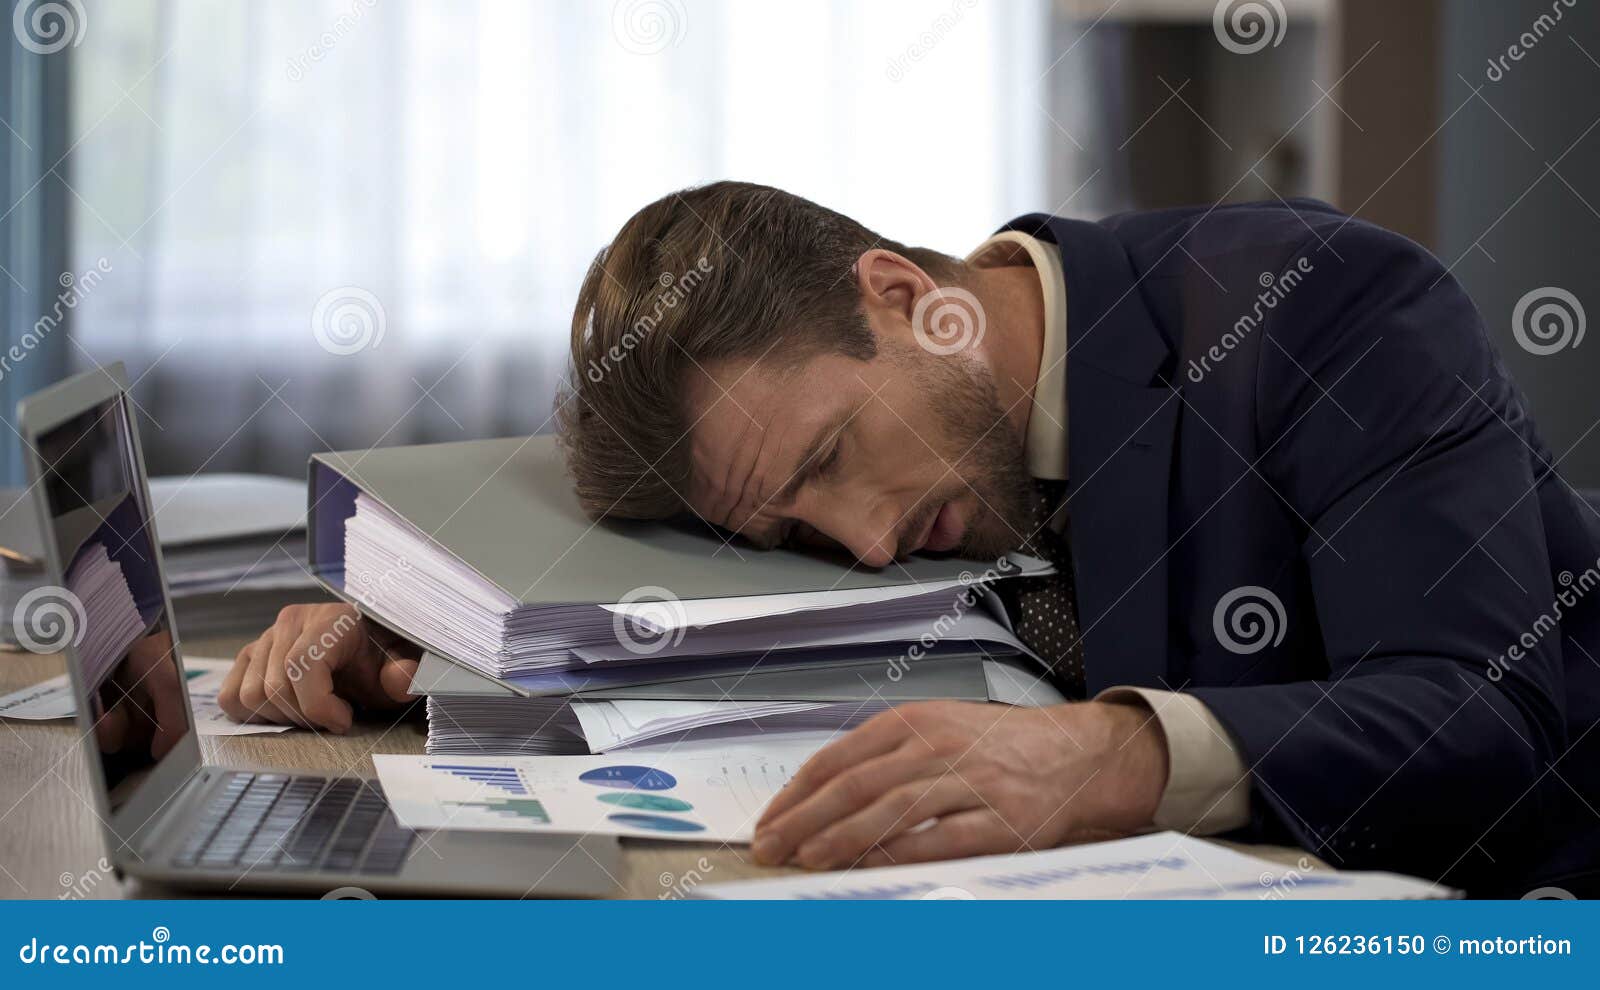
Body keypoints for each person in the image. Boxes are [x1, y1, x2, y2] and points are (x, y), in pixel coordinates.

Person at [221, 182, 1600, 896]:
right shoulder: (876, 432)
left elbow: (1477, 713)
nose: (866, 549)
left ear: (897, 291)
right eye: (790, 524)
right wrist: (426, 623)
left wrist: (1118, 751)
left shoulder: (1320, 307)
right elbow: (695, 603)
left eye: (828, 461)